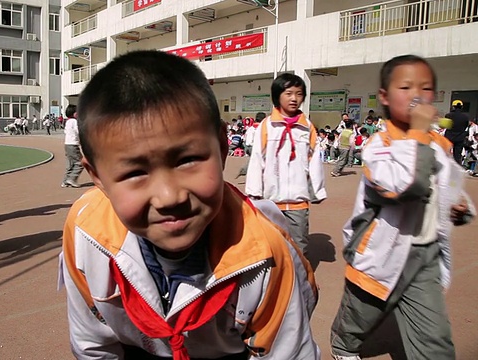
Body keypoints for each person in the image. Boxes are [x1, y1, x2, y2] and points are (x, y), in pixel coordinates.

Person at [60, 50, 319, 359]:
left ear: (223, 146)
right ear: (97, 177)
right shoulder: (86, 230)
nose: (170, 196)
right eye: (135, 173)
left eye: (188, 160)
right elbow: (93, 346)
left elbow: (286, 352)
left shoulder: (264, 253)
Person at [330, 54, 475, 360]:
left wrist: (460, 207)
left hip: (425, 255)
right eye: (406, 87)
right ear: (384, 96)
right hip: (381, 252)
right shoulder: (378, 146)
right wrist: (421, 134)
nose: (417, 95)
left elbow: (447, 185)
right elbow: (407, 185)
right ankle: (344, 346)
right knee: (361, 313)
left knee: (434, 340)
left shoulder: (437, 145)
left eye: (425, 88)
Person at [245, 73, 327, 256]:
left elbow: (314, 161)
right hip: (272, 200)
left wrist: (318, 190)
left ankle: (302, 282)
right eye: (288, 93)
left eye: (298, 94)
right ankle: (278, 282)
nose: (294, 99)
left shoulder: (307, 127)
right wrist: (254, 191)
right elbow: (257, 159)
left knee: (299, 245)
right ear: (277, 95)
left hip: (298, 200)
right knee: (272, 244)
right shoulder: (267, 126)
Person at [61, 104, 83, 188]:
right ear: (74, 113)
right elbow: (79, 132)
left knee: (70, 164)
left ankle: (65, 181)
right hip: (73, 145)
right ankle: (72, 179)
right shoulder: (74, 121)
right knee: (80, 163)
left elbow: (67, 132)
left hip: (67, 144)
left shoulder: (67, 122)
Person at [444, 99, 470, 165]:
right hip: (460, 137)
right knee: (457, 155)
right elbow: (466, 126)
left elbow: (445, 125)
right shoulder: (465, 116)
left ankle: (445, 167)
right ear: (461, 107)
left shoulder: (448, 115)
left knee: (446, 152)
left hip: (449, 136)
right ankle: (457, 168)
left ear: (453, 106)